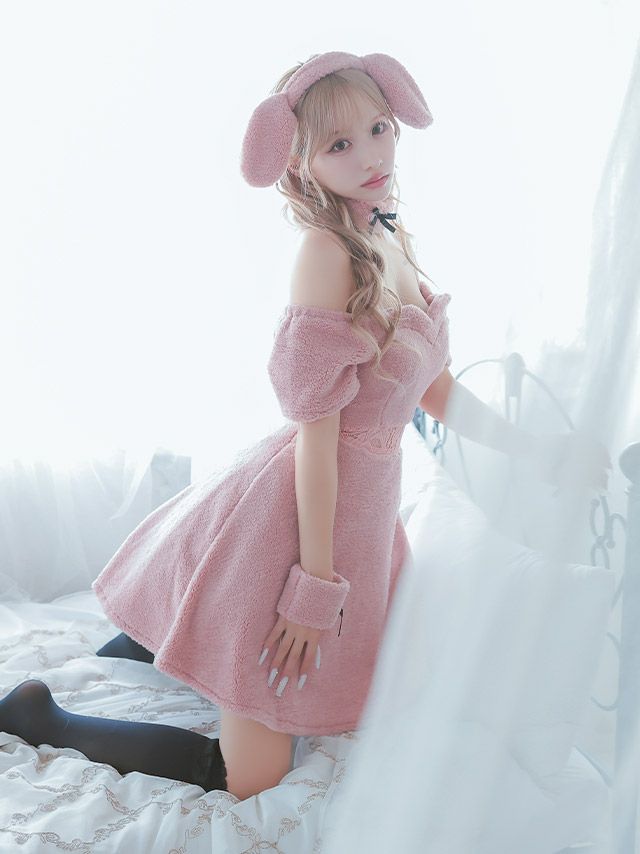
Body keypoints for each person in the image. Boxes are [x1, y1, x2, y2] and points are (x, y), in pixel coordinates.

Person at [0, 50, 610, 803]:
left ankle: (165, 636)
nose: (372, 156)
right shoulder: (327, 253)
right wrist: (313, 589)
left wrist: (540, 450)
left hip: (360, 511)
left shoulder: (388, 233)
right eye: (340, 144)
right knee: (253, 780)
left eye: (379, 129)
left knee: (283, 696)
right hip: (302, 508)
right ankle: (41, 716)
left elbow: (434, 389)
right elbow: (319, 443)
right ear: (302, 163)